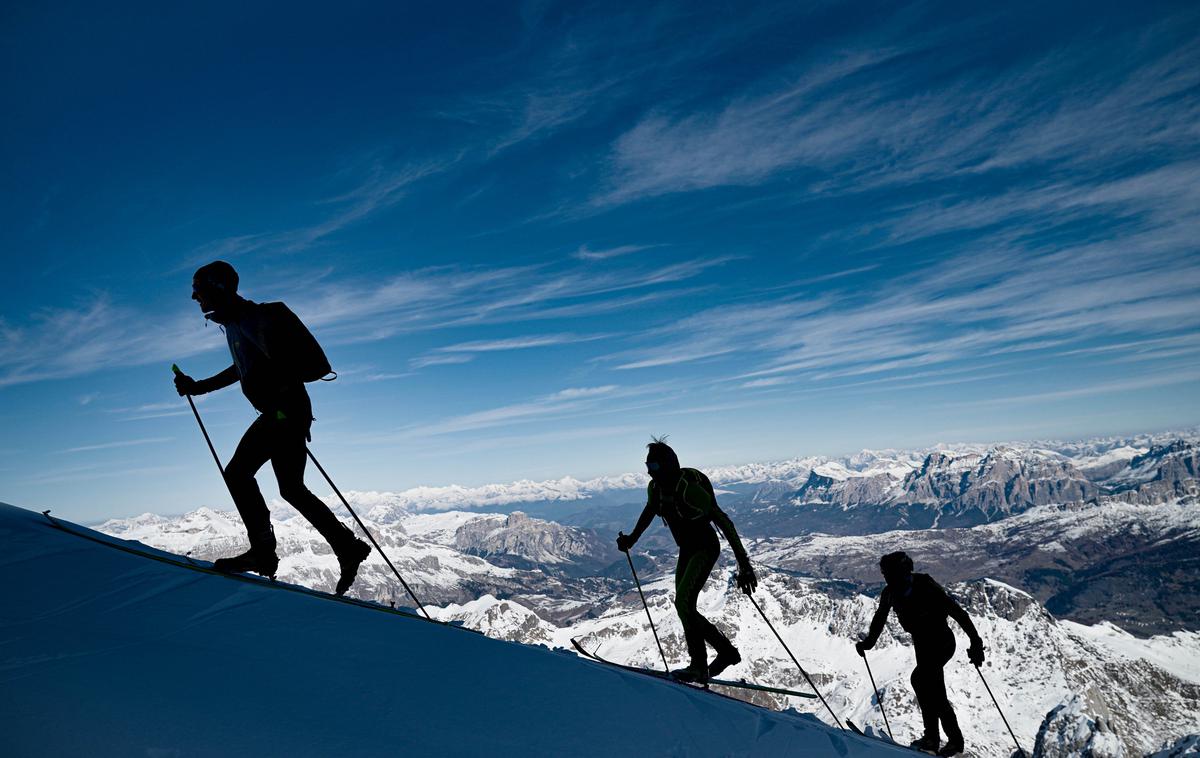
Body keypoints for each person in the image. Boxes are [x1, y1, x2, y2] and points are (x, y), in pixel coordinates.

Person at [174, 260, 370, 595]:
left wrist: (280, 390)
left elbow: (301, 365)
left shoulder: (259, 317)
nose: (194, 297)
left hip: (284, 412)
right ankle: (347, 546)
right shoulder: (238, 324)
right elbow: (243, 368)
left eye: (199, 289)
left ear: (219, 288)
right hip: (287, 412)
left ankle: (264, 553)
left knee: (237, 473)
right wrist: (198, 387)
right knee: (291, 489)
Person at [616, 438, 757, 684]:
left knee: (683, 602)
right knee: (683, 606)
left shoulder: (689, 489)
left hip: (705, 547)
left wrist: (743, 565)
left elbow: (724, 522)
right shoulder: (656, 489)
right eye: (647, 466)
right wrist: (631, 539)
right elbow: (650, 510)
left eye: (655, 467)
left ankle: (701, 665)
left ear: (669, 465)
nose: (649, 472)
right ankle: (723, 653)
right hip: (688, 549)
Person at [855, 551, 984, 756]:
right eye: (885, 574)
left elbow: (957, 612)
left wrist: (976, 642)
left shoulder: (925, 586)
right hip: (922, 644)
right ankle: (937, 739)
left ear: (901, 572)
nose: (886, 578)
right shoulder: (890, 592)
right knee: (929, 687)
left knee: (922, 680)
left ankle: (945, 739)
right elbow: (880, 618)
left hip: (941, 641)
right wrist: (869, 643)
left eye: (889, 573)